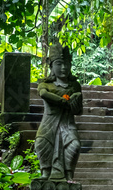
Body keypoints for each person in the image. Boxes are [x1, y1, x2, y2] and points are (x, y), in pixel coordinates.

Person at [34, 42, 83, 180]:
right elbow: (43, 94)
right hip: (49, 123)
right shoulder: (45, 84)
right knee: (41, 144)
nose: (64, 68)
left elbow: (79, 111)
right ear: (51, 65)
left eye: (67, 64)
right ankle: (45, 173)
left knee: (74, 146)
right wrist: (62, 101)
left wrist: (76, 100)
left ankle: (69, 176)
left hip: (67, 124)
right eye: (59, 64)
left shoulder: (75, 86)